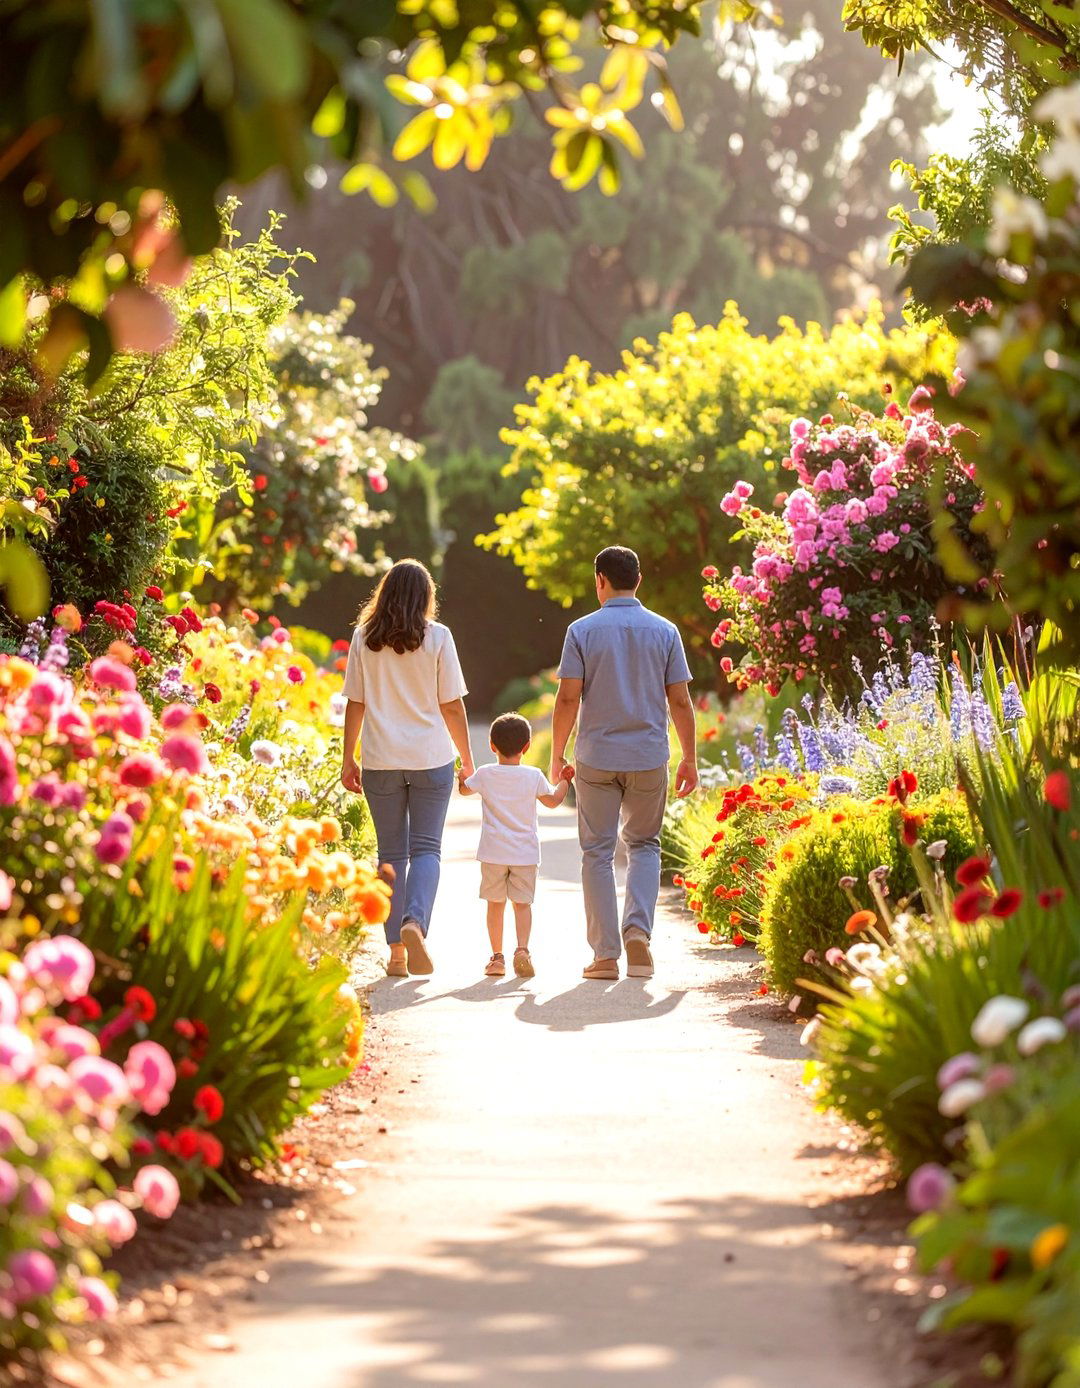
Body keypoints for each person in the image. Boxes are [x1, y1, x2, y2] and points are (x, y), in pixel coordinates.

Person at [551, 545, 698, 981]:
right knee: (644, 845)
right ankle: (638, 933)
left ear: (600, 580)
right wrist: (690, 758)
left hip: (596, 758)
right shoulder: (665, 631)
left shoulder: (581, 630)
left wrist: (557, 754)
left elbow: (567, 697)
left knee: (597, 852)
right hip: (648, 757)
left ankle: (605, 956)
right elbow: (681, 701)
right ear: (639, 580)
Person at [340, 558, 474, 977]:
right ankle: (415, 922)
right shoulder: (439, 637)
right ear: (426, 596)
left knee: (391, 854)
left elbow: (356, 702)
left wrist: (348, 758)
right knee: (427, 849)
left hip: (381, 760)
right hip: (430, 758)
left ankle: (396, 954)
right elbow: (452, 705)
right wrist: (468, 761)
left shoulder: (364, 637)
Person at [458, 713, 574, 979]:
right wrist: (565, 780)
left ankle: (497, 958)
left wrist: (462, 776)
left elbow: (464, 790)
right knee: (522, 904)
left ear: (492, 745)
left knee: (495, 904)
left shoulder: (485, 774)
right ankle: (522, 950)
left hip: (493, 853)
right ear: (527, 746)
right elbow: (553, 801)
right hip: (525, 854)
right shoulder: (533, 775)